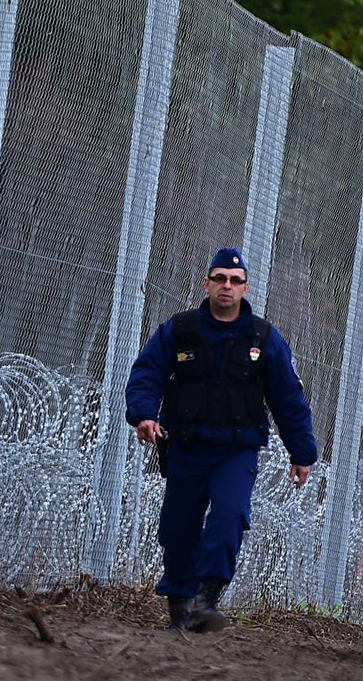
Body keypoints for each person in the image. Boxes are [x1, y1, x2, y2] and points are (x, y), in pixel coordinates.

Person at [125, 248, 316, 632]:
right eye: (220, 279)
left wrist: (302, 452)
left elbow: (288, 398)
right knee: (179, 526)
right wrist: (144, 414)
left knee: (229, 514)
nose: (226, 286)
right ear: (207, 283)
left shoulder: (263, 338)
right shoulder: (179, 331)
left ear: (245, 289)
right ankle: (180, 609)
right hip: (186, 444)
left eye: (235, 281)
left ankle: (206, 599)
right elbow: (147, 373)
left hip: (236, 449)